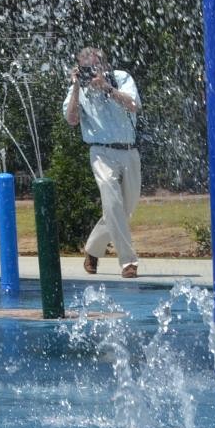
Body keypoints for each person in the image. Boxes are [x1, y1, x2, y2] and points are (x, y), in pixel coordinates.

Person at [63, 46, 142, 279]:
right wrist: (77, 86)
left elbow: (134, 105)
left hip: (128, 150)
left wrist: (107, 88)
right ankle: (128, 262)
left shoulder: (121, 78)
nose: (92, 71)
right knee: (112, 201)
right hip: (100, 152)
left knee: (124, 208)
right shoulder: (78, 89)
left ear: (105, 65)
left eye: (96, 66)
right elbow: (71, 119)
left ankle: (93, 249)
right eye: (86, 68)